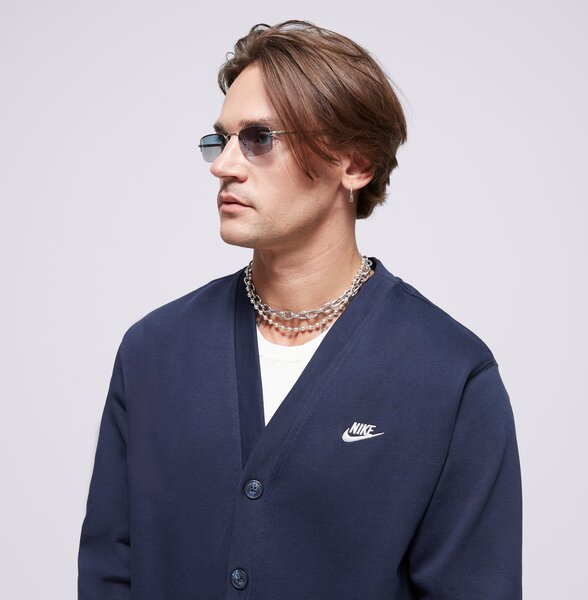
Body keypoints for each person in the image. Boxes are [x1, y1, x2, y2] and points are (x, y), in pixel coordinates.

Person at [78, 20, 522, 599]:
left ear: (355, 163)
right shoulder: (154, 352)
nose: (223, 165)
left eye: (258, 138)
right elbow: (109, 572)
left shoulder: (448, 374)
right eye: (221, 139)